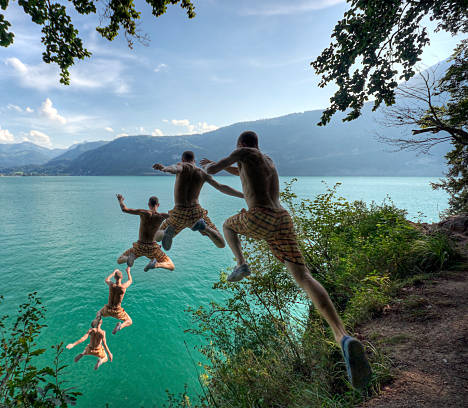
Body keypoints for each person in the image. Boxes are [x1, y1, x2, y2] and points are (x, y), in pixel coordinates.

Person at [201, 130, 372, 389]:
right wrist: (229, 169)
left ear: (241, 144)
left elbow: (214, 169)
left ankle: (241, 263)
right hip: (282, 219)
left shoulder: (243, 152)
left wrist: (207, 167)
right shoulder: (267, 161)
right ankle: (343, 336)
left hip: (260, 215)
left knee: (227, 225)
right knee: (304, 278)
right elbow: (241, 173)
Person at [152, 150, 244, 250]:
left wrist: (165, 168)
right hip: (196, 213)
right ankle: (206, 228)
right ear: (194, 160)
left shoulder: (183, 166)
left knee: (156, 236)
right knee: (221, 244)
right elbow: (221, 187)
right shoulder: (202, 173)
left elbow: (175, 168)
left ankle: (165, 233)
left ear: (183, 160)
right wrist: (244, 195)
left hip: (179, 212)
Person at [116, 194, 175, 271]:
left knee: (119, 260)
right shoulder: (162, 216)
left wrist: (120, 200)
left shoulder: (143, 212)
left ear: (149, 204)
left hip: (139, 246)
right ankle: (156, 264)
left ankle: (128, 259)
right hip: (153, 248)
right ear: (158, 205)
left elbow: (124, 209)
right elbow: (175, 217)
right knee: (171, 266)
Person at [97, 266, 133, 334]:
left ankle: (97, 320)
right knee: (129, 321)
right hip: (117, 311)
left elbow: (107, 279)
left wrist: (113, 272)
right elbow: (130, 281)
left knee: (99, 313)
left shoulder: (111, 284)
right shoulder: (123, 287)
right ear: (121, 278)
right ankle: (120, 326)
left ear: (114, 278)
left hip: (108, 308)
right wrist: (128, 272)